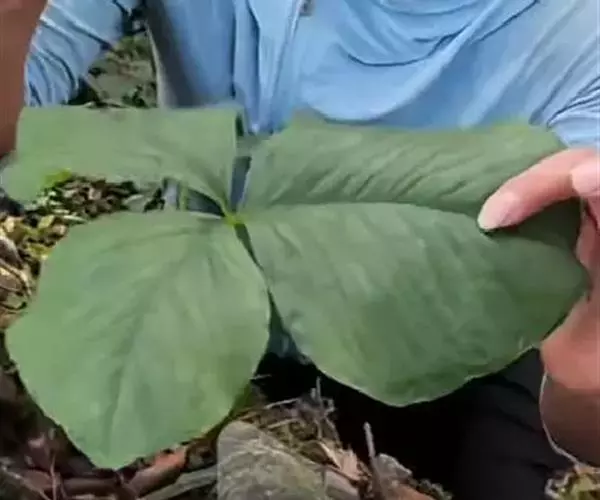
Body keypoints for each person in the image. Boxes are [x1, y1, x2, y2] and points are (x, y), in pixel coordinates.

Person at [0, 1, 598, 498]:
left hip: (461, 347)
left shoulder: (576, 35)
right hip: (210, 303)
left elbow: (583, 405)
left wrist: (583, 378)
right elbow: (19, 104)